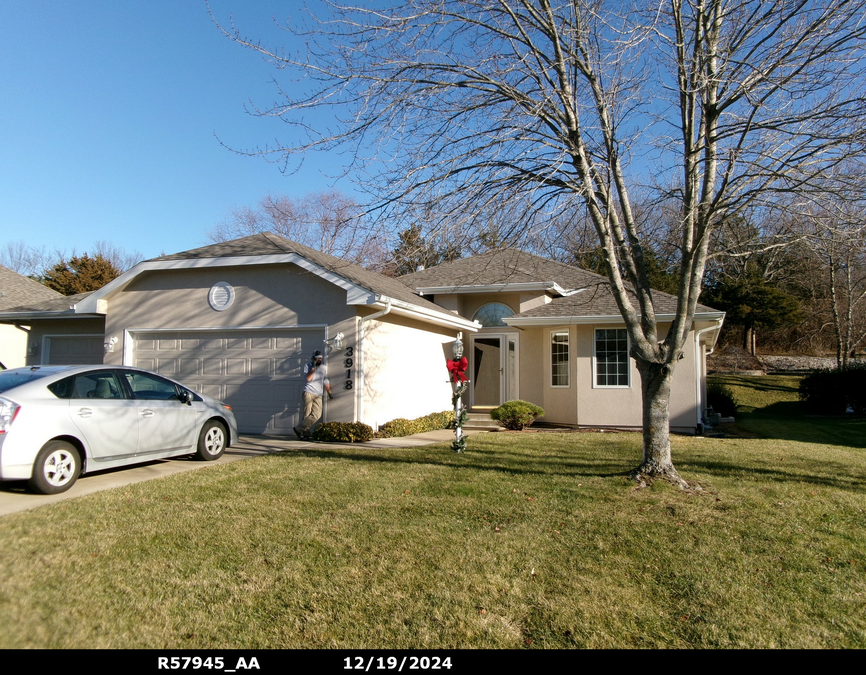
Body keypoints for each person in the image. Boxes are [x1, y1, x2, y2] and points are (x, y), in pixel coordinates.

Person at [294, 349, 332, 440]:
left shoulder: (323, 367)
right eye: (317, 358)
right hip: (308, 392)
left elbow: (325, 380)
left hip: (318, 394)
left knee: (317, 414)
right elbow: (308, 379)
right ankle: (306, 433)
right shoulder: (308, 366)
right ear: (313, 358)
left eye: (321, 358)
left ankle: (298, 429)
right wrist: (313, 367)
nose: (319, 360)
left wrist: (329, 392)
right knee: (307, 413)